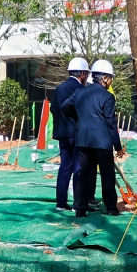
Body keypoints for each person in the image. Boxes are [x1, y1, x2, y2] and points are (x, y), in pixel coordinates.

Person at [67, 60, 124, 217]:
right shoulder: (107, 97)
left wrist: (79, 120)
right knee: (107, 175)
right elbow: (111, 123)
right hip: (101, 142)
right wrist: (117, 146)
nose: (111, 81)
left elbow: (65, 106)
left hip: (83, 141)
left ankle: (80, 209)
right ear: (105, 78)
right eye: (110, 78)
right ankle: (111, 208)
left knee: (83, 174)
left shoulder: (79, 93)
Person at [51, 57, 90, 211]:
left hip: (62, 133)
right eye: (86, 73)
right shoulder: (80, 89)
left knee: (65, 167)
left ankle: (61, 203)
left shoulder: (59, 88)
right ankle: (78, 203)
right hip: (76, 133)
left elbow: (54, 108)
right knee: (78, 168)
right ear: (81, 73)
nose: (87, 77)